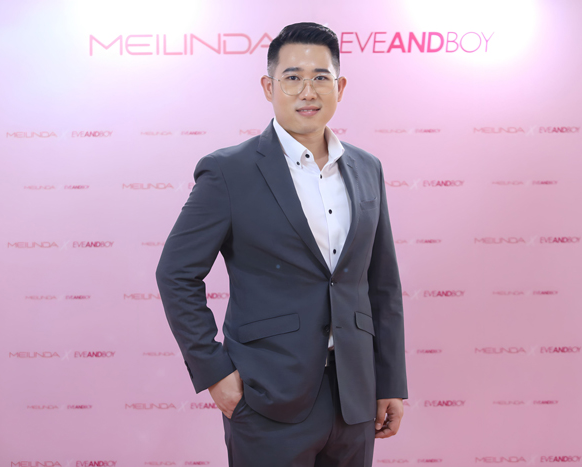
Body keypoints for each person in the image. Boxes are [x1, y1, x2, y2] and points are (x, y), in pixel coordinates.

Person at [156, 22, 407, 467]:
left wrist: (390, 381)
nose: (307, 91)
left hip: (355, 398)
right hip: (266, 398)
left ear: (339, 87)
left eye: (321, 77)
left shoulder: (368, 168)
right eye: (292, 77)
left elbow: (382, 283)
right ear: (269, 87)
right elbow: (175, 274)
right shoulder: (228, 172)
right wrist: (215, 373)